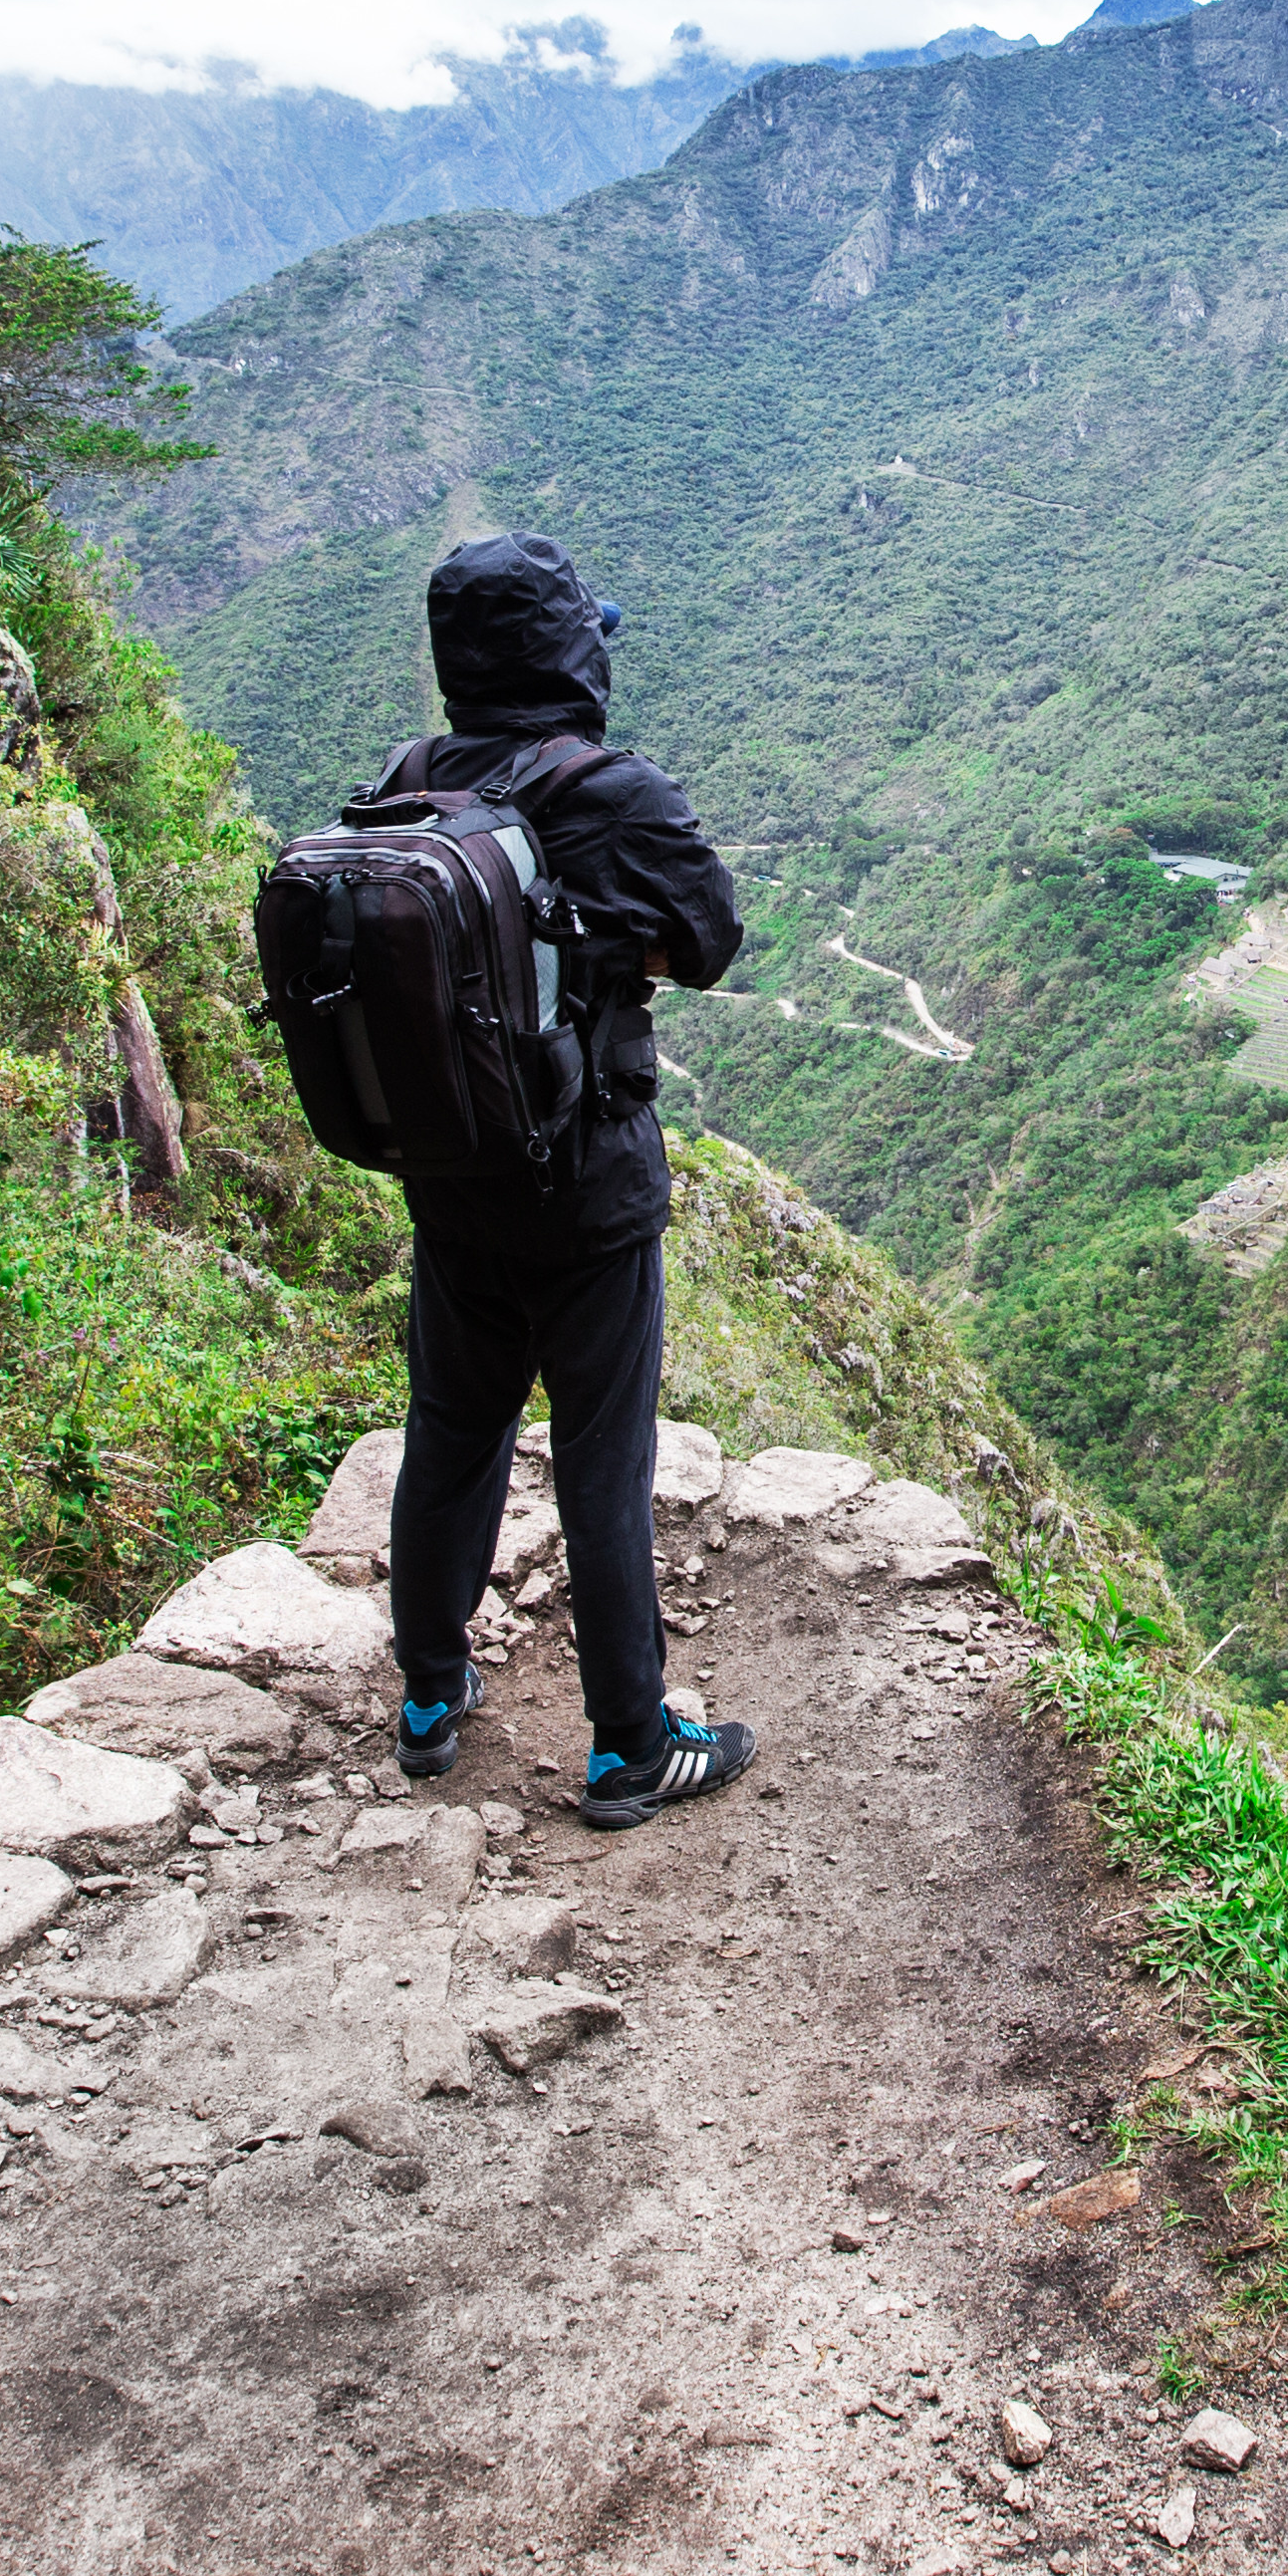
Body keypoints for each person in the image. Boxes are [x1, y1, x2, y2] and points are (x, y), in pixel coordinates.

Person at [378, 531, 758, 1832]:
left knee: (452, 1429)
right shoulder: (617, 792)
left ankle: (431, 1695)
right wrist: (613, 944)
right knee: (602, 1460)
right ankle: (628, 1748)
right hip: (590, 1192)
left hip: (451, 1175)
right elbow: (711, 941)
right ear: (572, 656)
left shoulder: (408, 782)